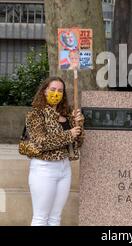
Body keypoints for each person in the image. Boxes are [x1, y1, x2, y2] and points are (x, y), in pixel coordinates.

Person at [25, 77, 84, 226]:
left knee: (55, 218)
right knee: (41, 218)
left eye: (60, 91)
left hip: (64, 168)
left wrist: (79, 124)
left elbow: (78, 142)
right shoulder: (36, 114)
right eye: (52, 89)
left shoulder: (67, 115)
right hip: (44, 168)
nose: (56, 93)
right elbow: (42, 142)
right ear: (44, 91)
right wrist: (68, 134)